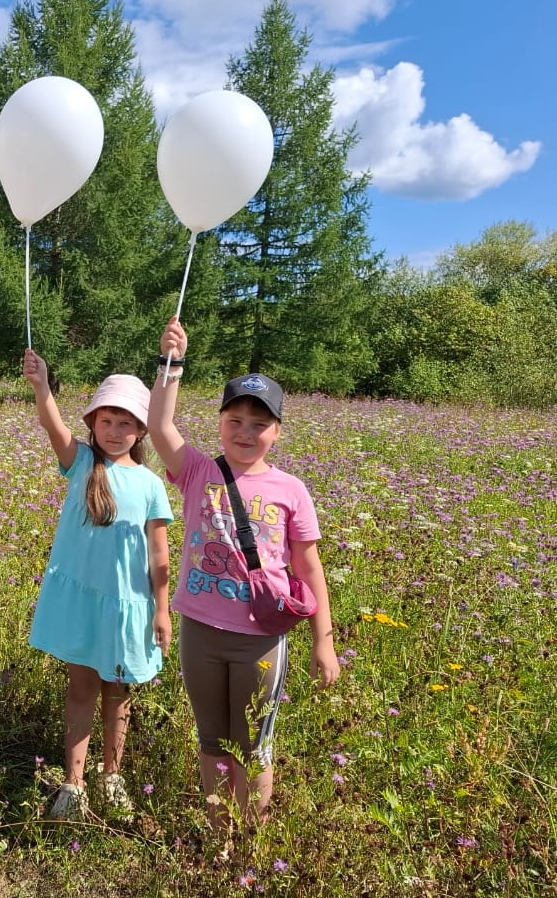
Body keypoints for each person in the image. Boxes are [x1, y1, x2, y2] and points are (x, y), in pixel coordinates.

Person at [147, 316, 339, 835]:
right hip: (201, 632)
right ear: (220, 424)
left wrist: (324, 641)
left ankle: (250, 840)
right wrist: (172, 365)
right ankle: (219, 839)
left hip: (261, 638)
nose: (246, 432)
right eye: (235, 420)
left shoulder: (291, 490)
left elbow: (308, 566)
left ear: (277, 430)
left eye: (259, 424)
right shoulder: (197, 472)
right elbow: (160, 427)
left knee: (254, 744)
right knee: (211, 739)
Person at [22, 349, 173, 820]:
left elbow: (159, 553)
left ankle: (112, 777)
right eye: (106, 421)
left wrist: (162, 610)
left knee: (119, 693)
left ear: (142, 430)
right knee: (81, 690)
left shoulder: (150, 483)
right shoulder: (82, 462)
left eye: (125, 423)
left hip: (129, 605)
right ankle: (73, 784)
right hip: (83, 603)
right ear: (92, 423)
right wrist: (41, 384)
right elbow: (51, 424)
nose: (115, 431)